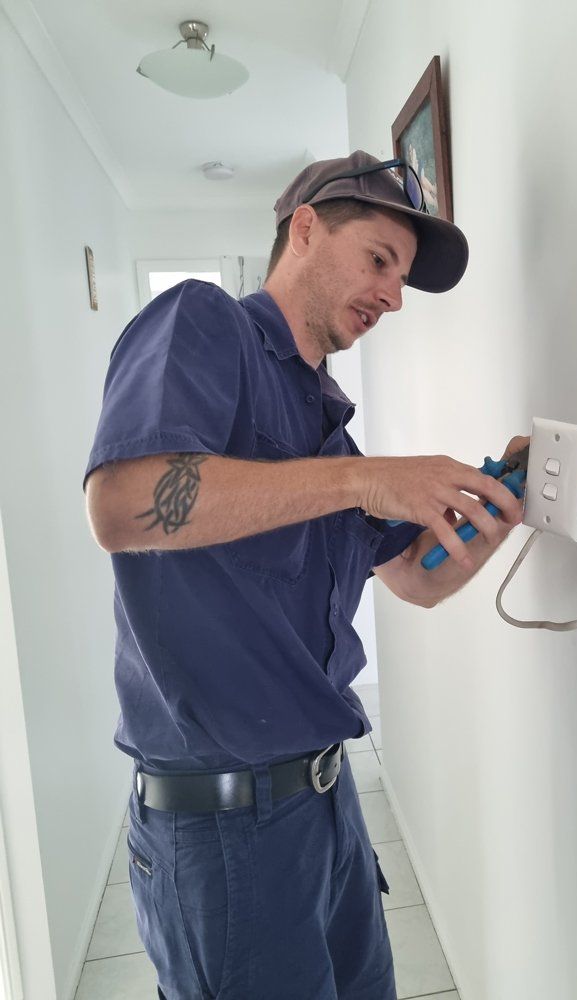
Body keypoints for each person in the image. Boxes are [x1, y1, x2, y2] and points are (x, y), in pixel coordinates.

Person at [84, 149, 527, 1000]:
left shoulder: (326, 425)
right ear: (306, 228)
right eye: (379, 260)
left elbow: (415, 581)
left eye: (401, 277)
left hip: (327, 803)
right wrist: (364, 480)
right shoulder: (203, 322)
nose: (393, 296)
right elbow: (122, 504)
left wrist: (502, 510)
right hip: (221, 830)